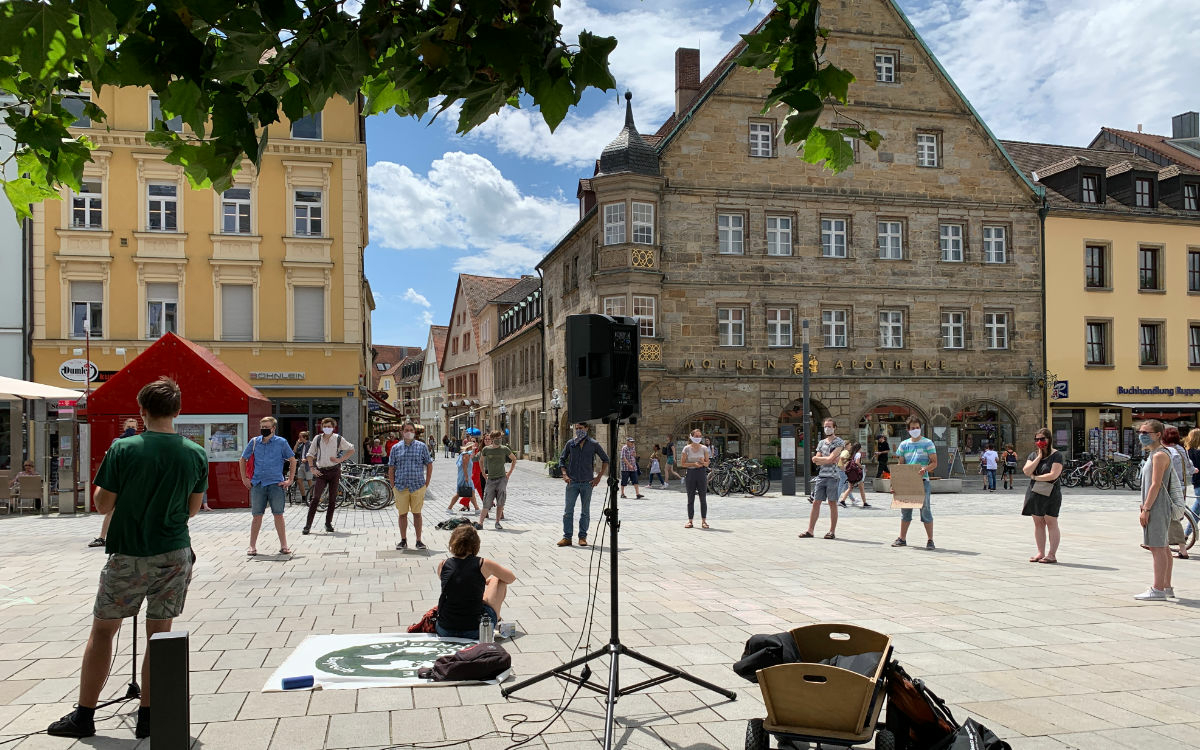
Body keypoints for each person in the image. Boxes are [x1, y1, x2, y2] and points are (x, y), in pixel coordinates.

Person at [47, 378, 206, 740]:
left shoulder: (124, 448)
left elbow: (103, 503)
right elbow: (193, 510)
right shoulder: (194, 453)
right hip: (174, 552)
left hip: (129, 553)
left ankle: (84, 716)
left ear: (142, 411)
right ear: (178, 412)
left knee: (103, 630)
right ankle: (149, 716)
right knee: (159, 635)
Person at [435, 525, 517, 639]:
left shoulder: (443, 564)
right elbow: (510, 578)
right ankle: (497, 619)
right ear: (476, 544)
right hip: (475, 630)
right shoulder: (483, 563)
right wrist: (490, 579)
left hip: (444, 629)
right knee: (498, 579)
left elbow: (459, 584)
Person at [1134, 420, 1182, 601]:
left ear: (1158, 434)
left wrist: (1146, 508)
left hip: (1158, 506)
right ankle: (1166, 586)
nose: (1142, 435)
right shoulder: (1155, 453)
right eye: (1140, 431)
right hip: (1156, 504)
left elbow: (1155, 484)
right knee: (1163, 547)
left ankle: (1158, 589)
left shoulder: (1159, 455)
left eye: (1146, 432)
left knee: (1157, 547)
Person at [240, 416, 297, 556]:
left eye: (267, 427)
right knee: (256, 516)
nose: (264, 429)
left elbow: (292, 460)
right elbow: (242, 459)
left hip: (276, 484)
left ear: (273, 428)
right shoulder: (254, 442)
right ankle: (252, 546)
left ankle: (284, 545)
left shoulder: (281, 442)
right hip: (258, 483)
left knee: (278, 515)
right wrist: (244, 478)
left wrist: (290, 480)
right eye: (262, 427)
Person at [89, 418, 140, 547]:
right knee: (111, 511)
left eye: (133, 427)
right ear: (124, 427)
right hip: (120, 481)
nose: (131, 429)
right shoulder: (117, 442)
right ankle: (102, 537)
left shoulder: (140, 442)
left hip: (132, 480)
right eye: (129, 426)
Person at [558, 421, 609, 547]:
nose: (578, 430)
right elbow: (562, 459)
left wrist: (599, 477)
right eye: (576, 428)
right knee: (568, 511)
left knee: (585, 512)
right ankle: (567, 537)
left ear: (586, 428)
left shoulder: (593, 444)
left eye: (580, 428)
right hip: (572, 482)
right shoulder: (571, 443)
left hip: (587, 483)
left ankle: (582, 537)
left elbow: (605, 459)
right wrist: (564, 474)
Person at [891, 416, 938, 549]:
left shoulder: (928, 443)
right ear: (908, 430)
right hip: (907, 482)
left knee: (926, 510)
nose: (915, 430)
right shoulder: (904, 445)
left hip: (922, 481)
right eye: (913, 428)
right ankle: (902, 538)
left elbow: (934, 462)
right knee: (905, 511)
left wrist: (925, 469)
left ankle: (930, 540)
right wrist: (895, 484)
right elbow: (900, 465)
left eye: (917, 427)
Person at [304, 417, 355, 535]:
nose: (327, 428)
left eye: (329, 426)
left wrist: (341, 459)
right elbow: (310, 454)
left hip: (334, 470)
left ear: (333, 427)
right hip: (321, 471)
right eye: (325, 426)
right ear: (322, 427)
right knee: (315, 498)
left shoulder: (338, 439)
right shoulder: (317, 439)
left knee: (332, 499)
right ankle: (308, 525)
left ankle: (328, 523)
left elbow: (351, 449)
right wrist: (312, 468)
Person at [388, 420, 433, 550]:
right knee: (402, 514)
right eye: (406, 430)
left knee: (417, 513)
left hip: (417, 485)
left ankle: (419, 540)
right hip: (401, 486)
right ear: (402, 432)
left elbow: (429, 464)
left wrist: (427, 482)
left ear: (415, 432)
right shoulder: (396, 448)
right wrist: (393, 485)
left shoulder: (421, 446)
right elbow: (391, 467)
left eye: (411, 430)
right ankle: (403, 540)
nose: (409, 433)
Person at [1021, 428, 1063, 563]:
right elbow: (1026, 471)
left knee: (1051, 522)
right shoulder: (1033, 455)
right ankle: (1040, 552)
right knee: (1038, 523)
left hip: (1051, 492)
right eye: (1037, 439)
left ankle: (1052, 554)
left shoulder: (1057, 455)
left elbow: (1053, 474)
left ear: (1049, 440)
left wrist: (1036, 477)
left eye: (1042, 439)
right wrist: (1039, 457)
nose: (1039, 442)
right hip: (1035, 492)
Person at [801, 418, 843, 539]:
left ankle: (831, 531)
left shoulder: (839, 442)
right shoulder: (821, 443)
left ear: (834, 427)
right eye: (825, 426)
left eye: (829, 426)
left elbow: (829, 459)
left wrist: (823, 459)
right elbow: (816, 460)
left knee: (832, 503)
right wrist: (826, 459)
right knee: (816, 502)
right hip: (821, 476)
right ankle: (810, 530)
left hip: (833, 476)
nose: (827, 428)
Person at [1162, 426, 1197, 559]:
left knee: (1171, 517)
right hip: (1182, 487)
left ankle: (1181, 549)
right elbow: (1189, 466)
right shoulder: (1180, 449)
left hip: (1170, 488)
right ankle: (1158, 542)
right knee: (1173, 516)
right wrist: (1194, 470)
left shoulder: (1167, 451)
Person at [479, 430, 516, 530]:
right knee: (487, 500)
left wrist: (509, 473)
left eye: (500, 438)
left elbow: (514, 459)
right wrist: (483, 473)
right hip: (490, 479)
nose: (499, 440)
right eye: (497, 439)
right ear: (492, 439)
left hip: (501, 479)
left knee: (501, 500)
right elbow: (481, 461)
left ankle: (497, 522)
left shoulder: (504, 449)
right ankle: (480, 523)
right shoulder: (486, 449)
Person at [680, 428, 711, 529]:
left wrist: (703, 462)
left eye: (699, 436)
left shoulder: (704, 448)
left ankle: (704, 521)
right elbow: (682, 463)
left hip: (701, 473)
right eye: (696, 436)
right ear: (691, 437)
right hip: (691, 473)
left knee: (703, 498)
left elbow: (707, 463)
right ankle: (690, 521)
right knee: (690, 498)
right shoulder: (686, 448)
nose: (698, 438)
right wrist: (694, 464)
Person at [447, 436, 480, 512]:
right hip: (464, 477)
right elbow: (464, 466)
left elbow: (472, 458)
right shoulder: (466, 455)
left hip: (467, 476)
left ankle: (477, 508)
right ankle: (449, 507)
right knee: (460, 493)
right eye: (472, 447)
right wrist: (466, 477)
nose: (474, 447)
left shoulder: (467, 454)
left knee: (471, 492)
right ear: (469, 447)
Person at [838, 442, 869, 507]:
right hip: (857, 473)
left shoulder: (852, 454)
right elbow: (857, 462)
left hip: (851, 473)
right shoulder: (858, 454)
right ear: (859, 448)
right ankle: (865, 503)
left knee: (850, 488)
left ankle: (843, 501)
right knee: (861, 488)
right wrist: (862, 467)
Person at [1187, 429, 1200, 539]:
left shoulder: (1189, 451)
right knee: (1196, 512)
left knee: (1196, 512)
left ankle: (1185, 535)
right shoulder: (1197, 452)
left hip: (1196, 483)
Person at [292, 430, 312, 503]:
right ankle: (303, 497)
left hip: (308, 465)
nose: (299, 437)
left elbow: (315, 455)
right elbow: (294, 451)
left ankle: (311, 497)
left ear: (305, 437)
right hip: (301, 465)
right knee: (299, 481)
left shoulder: (310, 444)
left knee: (309, 480)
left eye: (300, 436)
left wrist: (306, 460)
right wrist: (297, 443)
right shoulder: (302, 445)